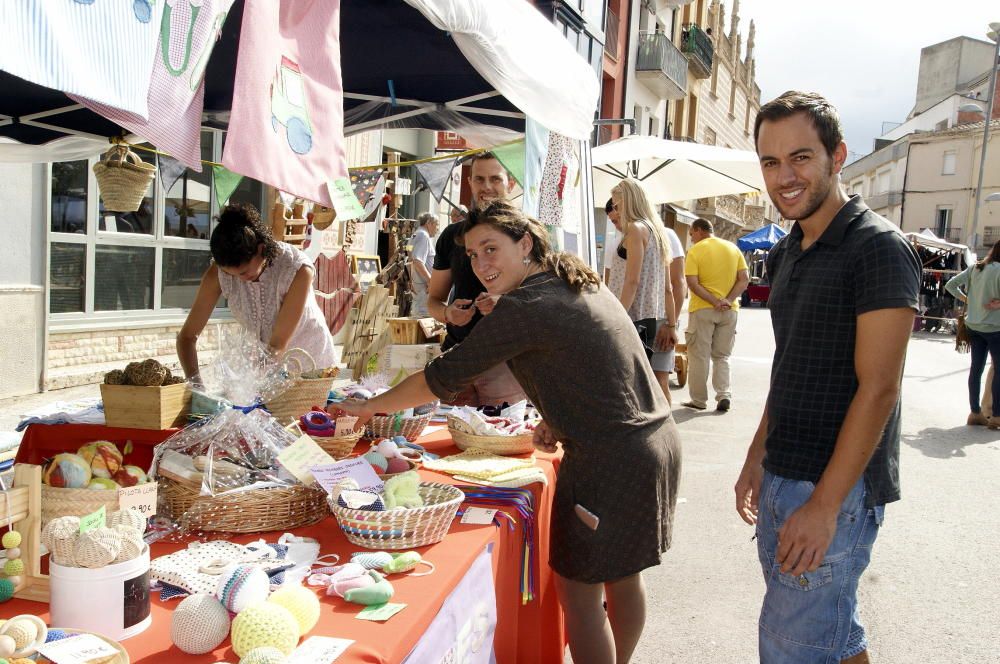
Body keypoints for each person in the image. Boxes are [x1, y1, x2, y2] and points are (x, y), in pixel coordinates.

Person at [331, 201, 681, 664]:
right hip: (651, 444)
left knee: (580, 594)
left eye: (491, 248)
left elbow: (443, 375)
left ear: (526, 244)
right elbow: (598, 364)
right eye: (473, 255)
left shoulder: (526, 305)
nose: (481, 264)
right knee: (622, 577)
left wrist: (369, 407)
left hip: (609, 460)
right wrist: (559, 418)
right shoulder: (571, 281)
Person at [734, 91, 921, 664]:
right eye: (770, 161)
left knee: (791, 645)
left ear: (837, 155)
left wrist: (823, 507)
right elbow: (789, 364)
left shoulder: (878, 249)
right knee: (828, 634)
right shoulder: (790, 248)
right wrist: (755, 455)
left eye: (800, 157)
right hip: (784, 471)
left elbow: (880, 388)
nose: (784, 176)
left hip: (833, 487)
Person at [176, 203, 335, 381]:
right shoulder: (219, 273)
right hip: (266, 370)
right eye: (231, 274)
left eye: (244, 272)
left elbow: (277, 345)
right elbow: (187, 337)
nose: (240, 279)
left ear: (260, 249)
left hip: (312, 366)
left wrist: (248, 386)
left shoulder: (297, 269)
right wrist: (196, 385)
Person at [426, 152, 526, 406]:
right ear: (470, 183)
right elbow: (433, 301)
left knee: (501, 440)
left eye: (495, 179)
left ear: (510, 184)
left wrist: (505, 303)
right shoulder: (451, 236)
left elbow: (544, 301)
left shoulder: (525, 234)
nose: (487, 187)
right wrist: (448, 314)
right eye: (479, 179)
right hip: (457, 357)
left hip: (507, 363)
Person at [607, 179, 679, 403]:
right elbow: (667, 288)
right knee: (658, 386)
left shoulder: (636, 230)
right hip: (656, 318)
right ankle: (667, 435)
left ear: (629, 202)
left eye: (618, 205)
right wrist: (672, 323)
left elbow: (632, 281)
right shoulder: (658, 232)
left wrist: (615, 317)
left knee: (634, 388)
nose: (616, 211)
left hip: (635, 318)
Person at [681, 218, 749, 412]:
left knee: (699, 356)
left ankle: (699, 400)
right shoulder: (733, 249)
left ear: (699, 230)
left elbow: (693, 283)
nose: (691, 237)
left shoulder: (695, 251)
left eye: (691, 233)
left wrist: (713, 301)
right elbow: (744, 280)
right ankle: (723, 395)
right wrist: (727, 300)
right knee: (722, 356)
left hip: (703, 309)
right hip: (729, 310)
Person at [945, 240, 1000, 428]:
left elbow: (951, 285)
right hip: (995, 327)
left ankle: (975, 412)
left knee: (975, 369)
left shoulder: (977, 268)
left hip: (974, 326)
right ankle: (996, 417)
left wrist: (969, 300)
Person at [408, 212, 438, 317]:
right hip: (423, 289)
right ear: (429, 223)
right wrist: (430, 281)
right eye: (436, 224)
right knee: (424, 319)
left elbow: (410, 259)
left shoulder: (416, 234)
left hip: (419, 287)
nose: (437, 228)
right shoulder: (423, 235)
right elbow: (417, 261)